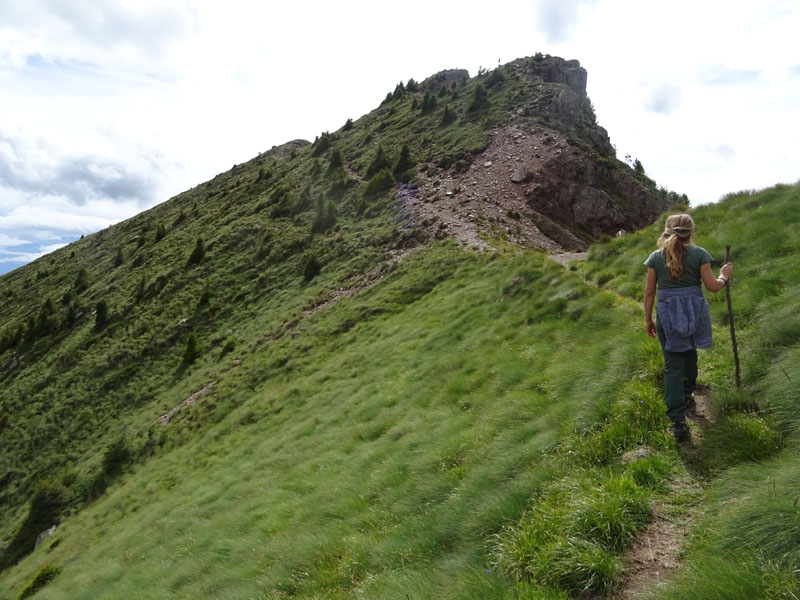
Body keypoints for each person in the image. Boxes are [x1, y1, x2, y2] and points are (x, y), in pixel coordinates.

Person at [643, 214, 732, 442]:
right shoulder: (699, 254)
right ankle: (688, 390)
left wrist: (648, 319)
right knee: (691, 349)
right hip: (694, 310)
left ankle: (678, 421)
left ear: (667, 230)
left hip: (667, 313)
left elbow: (649, 292)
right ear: (690, 232)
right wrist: (723, 276)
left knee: (672, 363)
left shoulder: (655, 257)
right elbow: (712, 287)